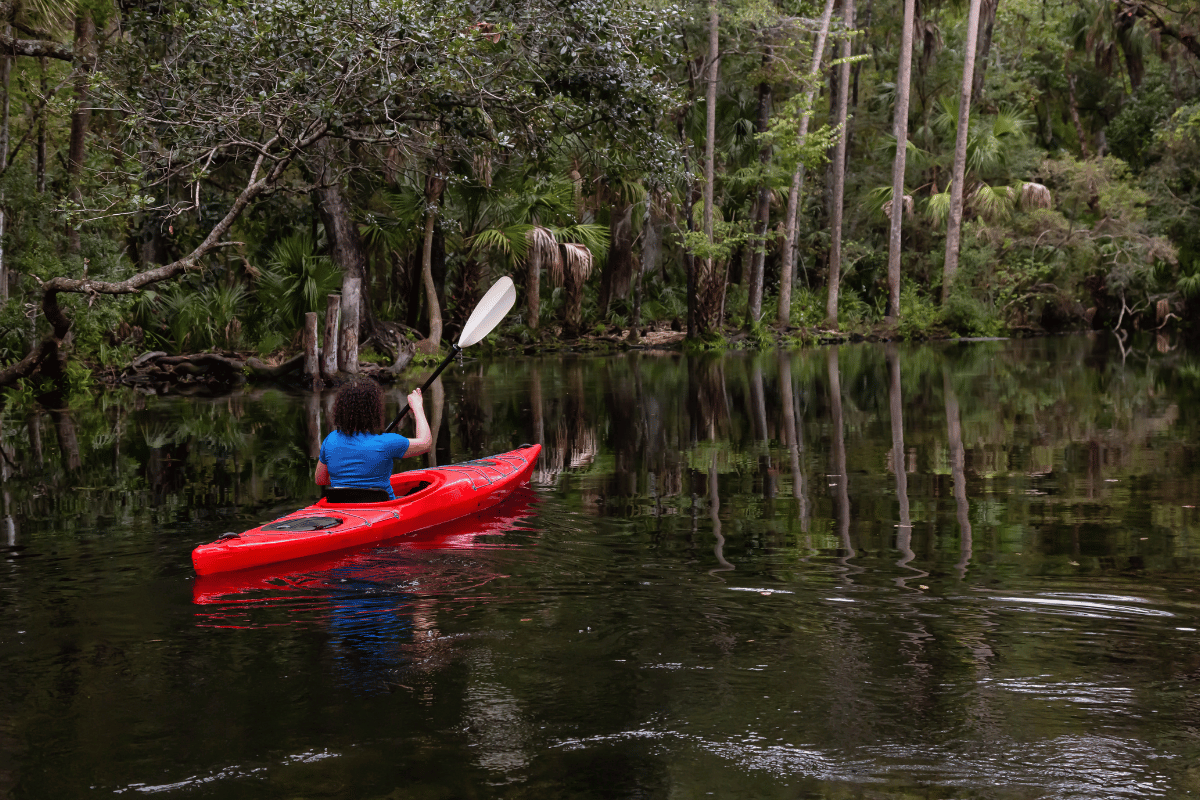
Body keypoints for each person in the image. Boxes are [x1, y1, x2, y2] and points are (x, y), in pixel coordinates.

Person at [315, 378, 432, 500]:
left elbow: (320, 479)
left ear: (341, 409)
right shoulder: (387, 442)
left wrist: (348, 480)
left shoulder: (331, 440)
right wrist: (418, 407)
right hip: (383, 509)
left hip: (344, 509)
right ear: (374, 410)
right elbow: (426, 443)